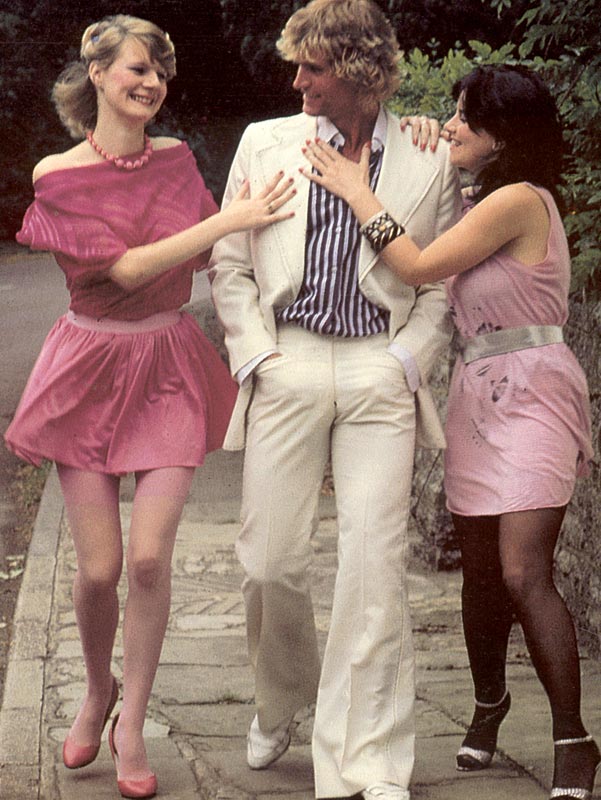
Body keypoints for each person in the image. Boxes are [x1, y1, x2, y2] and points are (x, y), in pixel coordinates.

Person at [5, 14, 294, 800]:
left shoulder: (174, 159)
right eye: (138, 68)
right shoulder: (56, 174)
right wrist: (229, 218)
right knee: (99, 569)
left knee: (147, 559)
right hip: (86, 373)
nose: (152, 82)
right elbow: (125, 270)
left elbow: (211, 256)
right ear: (97, 73)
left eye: (161, 72)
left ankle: (131, 721)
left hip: (167, 367)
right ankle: (96, 690)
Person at [301, 63, 599, 800]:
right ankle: (489, 704)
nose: (452, 123)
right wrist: (424, 137)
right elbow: (431, 182)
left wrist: (356, 189)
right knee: (481, 573)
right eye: (454, 112)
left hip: (534, 393)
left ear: (506, 135)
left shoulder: (519, 201)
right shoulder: (481, 198)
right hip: (477, 394)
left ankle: (574, 740)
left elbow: (416, 265)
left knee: (523, 571)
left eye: (466, 115)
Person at [209, 1, 461, 797]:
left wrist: (404, 362)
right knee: (270, 562)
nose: (297, 82)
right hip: (287, 358)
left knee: (372, 566)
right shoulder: (265, 142)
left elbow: (439, 284)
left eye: (311, 68)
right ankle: (282, 698)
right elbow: (229, 264)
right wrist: (259, 355)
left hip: (377, 369)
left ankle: (372, 756)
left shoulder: (425, 155)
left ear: (357, 72)